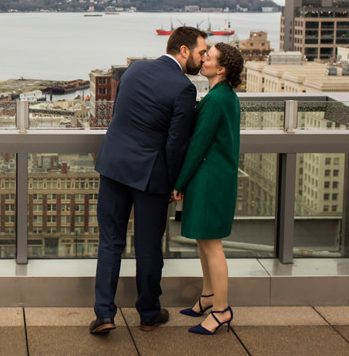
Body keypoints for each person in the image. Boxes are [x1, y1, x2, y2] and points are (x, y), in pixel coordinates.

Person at [90, 26, 208, 334]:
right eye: (200, 52)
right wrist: (174, 184)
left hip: (114, 165)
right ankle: (148, 312)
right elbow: (176, 143)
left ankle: (104, 313)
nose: (203, 58)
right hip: (150, 174)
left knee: (110, 242)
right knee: (147, 247)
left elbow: (119, 114)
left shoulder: (135, 69)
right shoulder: (184, 89)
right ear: (184, 51)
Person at [172, 42, 244, 335]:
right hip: (214, 175)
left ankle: (221, 311)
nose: (203, 60)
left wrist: (179, 183)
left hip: (210, 178)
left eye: (209, 57)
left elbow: (199, 143)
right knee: (205, 241)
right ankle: (208, 297)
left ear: (222, 68)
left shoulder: (216, 100)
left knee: (212, 246)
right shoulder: (223, 95)